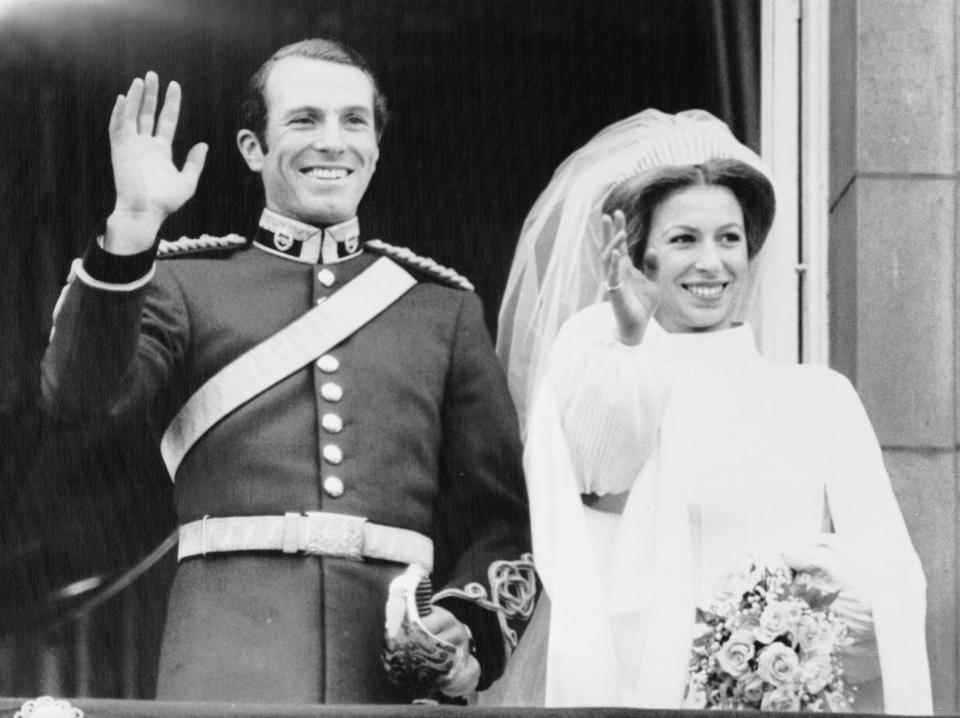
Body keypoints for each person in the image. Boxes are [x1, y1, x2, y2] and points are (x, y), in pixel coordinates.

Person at [41, 38, 534, 704]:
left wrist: (466, 629)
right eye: (304, 120)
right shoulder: (186, 286)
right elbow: (77, 396)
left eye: (353, 121)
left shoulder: (441, 310)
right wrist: (132, 227)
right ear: (252, 148)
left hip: (392, 681)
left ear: (376, 148)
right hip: (225, 670)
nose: (333, 141)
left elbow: (503, 523)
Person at [494, 109, 931, 712]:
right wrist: (625, 334)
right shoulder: (606, 376)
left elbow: (892, 575)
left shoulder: (820, 398)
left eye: (729, 238)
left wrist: (819, 607)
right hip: (634, 698)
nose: (711, 263)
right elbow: (597, 478)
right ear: (640, 257)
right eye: (682, 240)